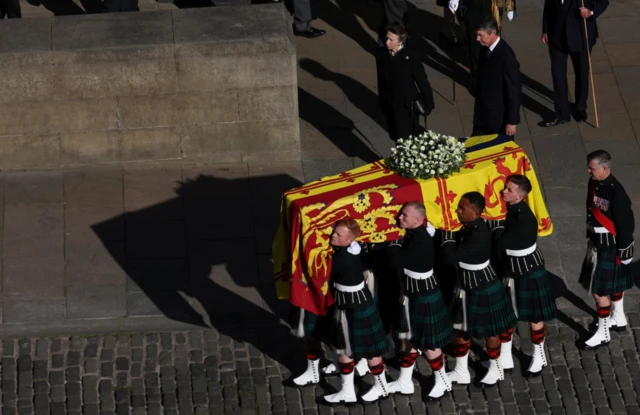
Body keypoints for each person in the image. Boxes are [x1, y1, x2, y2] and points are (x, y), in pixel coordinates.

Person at [440, 192, 517, 387]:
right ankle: (461, 370)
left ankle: (496, 368)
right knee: (461, 329)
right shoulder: (472, 226)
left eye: (462, 208)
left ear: (474, 212)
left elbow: (450, 256)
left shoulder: (479, 235)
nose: (457, 211)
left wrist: (447, 234)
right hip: (466, 284)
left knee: (491, 331)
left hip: (482, 285)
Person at [488, 175, 558, 376]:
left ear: (519, 196)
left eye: (509, 190)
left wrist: (494, 225)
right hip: (512, 267)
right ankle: (506, 354)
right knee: (507, 312)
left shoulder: (524, 218)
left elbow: (502, 243)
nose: (503, 192)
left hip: (527, 269)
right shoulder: (513, 210)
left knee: (534, 315)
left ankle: (539, 355)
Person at [385, 202, 455, 399]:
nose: (399, 218)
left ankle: (442, 380)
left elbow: (394, 261)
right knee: (406, 337)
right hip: (412, 293)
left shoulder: (419, 241)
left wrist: (392, 241)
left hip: (423, 296)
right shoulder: (416, 233)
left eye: (404, 216)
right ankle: (405, 381)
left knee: (429, 343)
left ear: (417, 220)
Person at [321, 220, 390, 405]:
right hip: (351, 307)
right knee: (345, 351)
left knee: (370, 352)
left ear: (350, 239)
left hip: (357, 309)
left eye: (338, 235)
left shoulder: (341, 259)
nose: (332, 236)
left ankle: (380, 387)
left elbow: (322, 270)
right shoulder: (352, 250)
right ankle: (348, 391)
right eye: (334, 232)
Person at [577, 150, 634, 350]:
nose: (588, 171)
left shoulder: (616, 193)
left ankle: (603, 334)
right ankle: (618, 317)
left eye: (591, 168)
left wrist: (625, 253)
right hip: (597, 242)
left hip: (609, 246)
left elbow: (626, 226)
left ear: (604, 168)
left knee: (599, 291)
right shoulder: (595, 183)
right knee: (613, 286)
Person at [541, 0, 609, 126]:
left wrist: (590, 12)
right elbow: (548, 6)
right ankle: (562, 113)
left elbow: (603, 1)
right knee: (558, 76)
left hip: (580, 35)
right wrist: (546, 30)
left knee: (582, 73)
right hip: (557, 37)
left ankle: (580, 107)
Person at [376, 23, 435, 142]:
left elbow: (422, 81)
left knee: (406, 137)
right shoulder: (381, 54)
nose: (387, 42)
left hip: (407, 105)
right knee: (394, 135)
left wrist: (428, 104)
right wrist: (383, 102)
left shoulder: (411, 57)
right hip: (390, 103)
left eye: (391, 40)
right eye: (386, 38)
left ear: (400, 41)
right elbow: (381, 80)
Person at [448, 0, 515, 93]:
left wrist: (510, 6)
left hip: (492, 7)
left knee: (491, 47)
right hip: (472, 7)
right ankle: (476, 83)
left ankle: (490, 80)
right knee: (474, 47)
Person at [472, 15, 521, 137]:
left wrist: (512, 121)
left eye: (481, 35)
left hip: (498, 120)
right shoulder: (485, 48)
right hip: (482, 114)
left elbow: (514, 91)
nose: (477, 39)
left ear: (493, 33)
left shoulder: (507, 57)